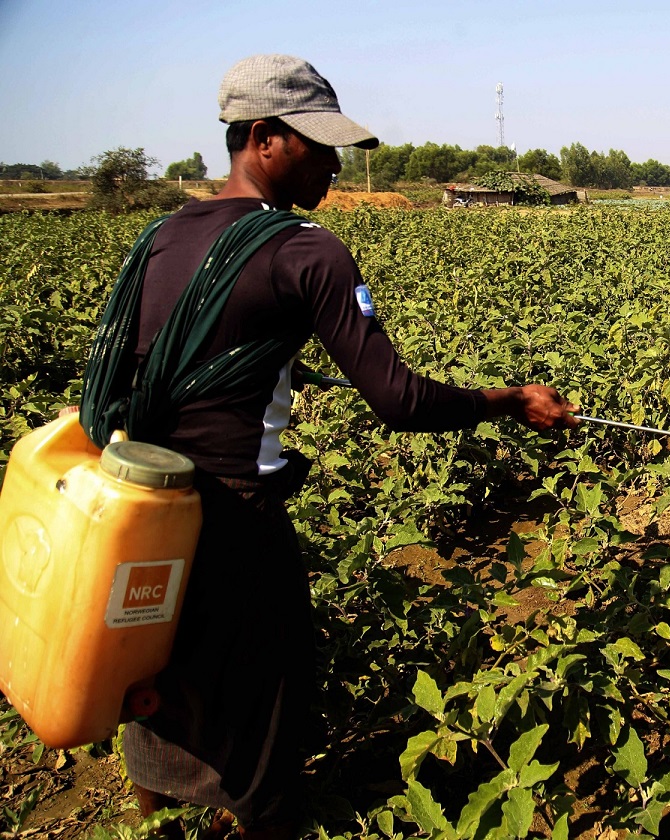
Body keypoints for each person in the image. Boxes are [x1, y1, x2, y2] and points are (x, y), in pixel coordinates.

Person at [109, 54, 579, 839]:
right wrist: (507, 399)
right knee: (267, 703)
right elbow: (397, 400)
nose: (334, 163)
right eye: (317, 145)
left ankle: (153, 822)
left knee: (157, 680)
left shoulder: (160, 238)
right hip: (235, 519)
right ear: (263, 138)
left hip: (139, 509)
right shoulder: (304, 249)